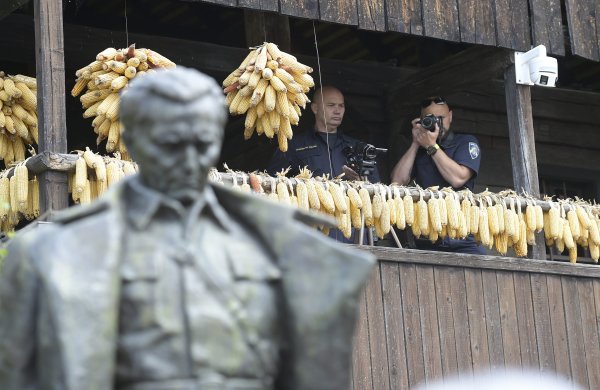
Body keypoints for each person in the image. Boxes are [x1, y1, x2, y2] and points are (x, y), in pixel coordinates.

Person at [0, 67, 375, 389]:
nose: (188, 157)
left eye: (202, 141)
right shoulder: (54, 253)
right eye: (170, 141)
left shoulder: (285, 249)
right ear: (133, 141)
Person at [390, 96, 484, 254]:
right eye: (430, 119)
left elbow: (458, 178)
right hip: (428, 234)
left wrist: (432, 146)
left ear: (451, 116)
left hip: (461, 234)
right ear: (421, 121)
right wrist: (415, 143)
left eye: (441, 118)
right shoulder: (419, 149)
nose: (437, 123)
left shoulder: (465, 142)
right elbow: (396, 181)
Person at [267, 85, 381, 183]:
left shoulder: (358, 147)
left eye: (341, 106)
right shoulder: (293, 146)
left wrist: (360, 180)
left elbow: (376, 188)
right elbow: (272, 182)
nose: (337, 111)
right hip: (308, 208)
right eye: (331, 105)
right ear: (315, 108)